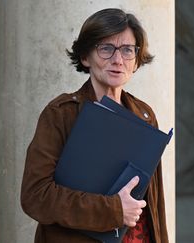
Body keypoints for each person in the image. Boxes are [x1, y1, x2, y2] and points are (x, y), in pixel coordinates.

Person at [20, 8, 168, 243]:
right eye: (106, 48)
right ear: (85, 57)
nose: (118, 60)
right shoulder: (61, 114)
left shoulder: (144, 115)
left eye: (127, 50)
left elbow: (154, 209)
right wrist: (114, 210)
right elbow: (36, 196)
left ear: (136, 60)